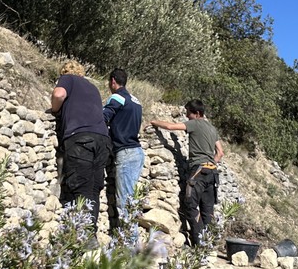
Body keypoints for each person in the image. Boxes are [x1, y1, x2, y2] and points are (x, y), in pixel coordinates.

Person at [149, 99, 224, 247]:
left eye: (188, 113)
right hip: (212, 173)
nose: (187, 116)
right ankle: (207, 245)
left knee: (190, 205)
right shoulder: (212, 129)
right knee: (207, 209)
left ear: (196, 113)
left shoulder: (194, 123)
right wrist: (211, 164)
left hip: (198, 171)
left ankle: (199, 244)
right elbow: (220, 153)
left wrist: (153, 121)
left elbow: (171, 126)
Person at [48, 60, 111, 232]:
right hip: (102, 141)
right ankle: (91, 233)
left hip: (80, 139)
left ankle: (84, 238)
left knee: (80, 187)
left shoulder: (68, 78)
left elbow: (59, 94)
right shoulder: (93, 88)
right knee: (93, 188)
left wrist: (54, 110)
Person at [103, 68, 144, 229]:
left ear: (113, 81)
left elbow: (103, 117)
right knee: (130, 201)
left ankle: (129, 249)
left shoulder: (117, 97)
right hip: (137, 152)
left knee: (125, 204)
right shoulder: (136, 101)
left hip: (125, 153)